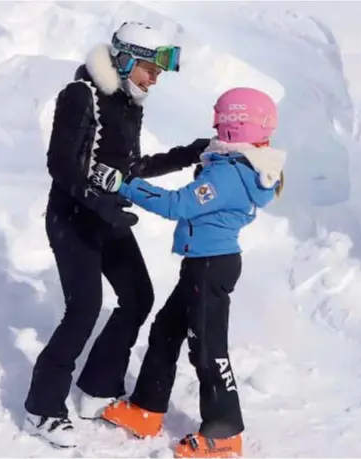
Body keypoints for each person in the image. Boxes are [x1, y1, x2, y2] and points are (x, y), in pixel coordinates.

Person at [23, 21, 210, 448]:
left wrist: (188, 153)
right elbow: (60, 164)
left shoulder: (128, 101)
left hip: (105, 216)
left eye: (158, 73)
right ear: (125, 60)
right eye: (150, 69)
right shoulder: (81, 94)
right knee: (84, 307)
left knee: (138, 296)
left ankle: (98, 386)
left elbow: (130, 168)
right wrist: (98, 199)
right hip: (72, 216)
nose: (155, 78)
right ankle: (41, 406)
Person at [90, 87, 286, 458]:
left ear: (231, 125)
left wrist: (123, 184)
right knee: (166, 330)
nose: (213, 126)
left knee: (208, 348)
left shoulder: (230, 174)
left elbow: (177, 205)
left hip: (211, 268)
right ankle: (147, 409)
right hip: (203, 263)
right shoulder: (239, 165)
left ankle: (224, 431)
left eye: (218, 120)